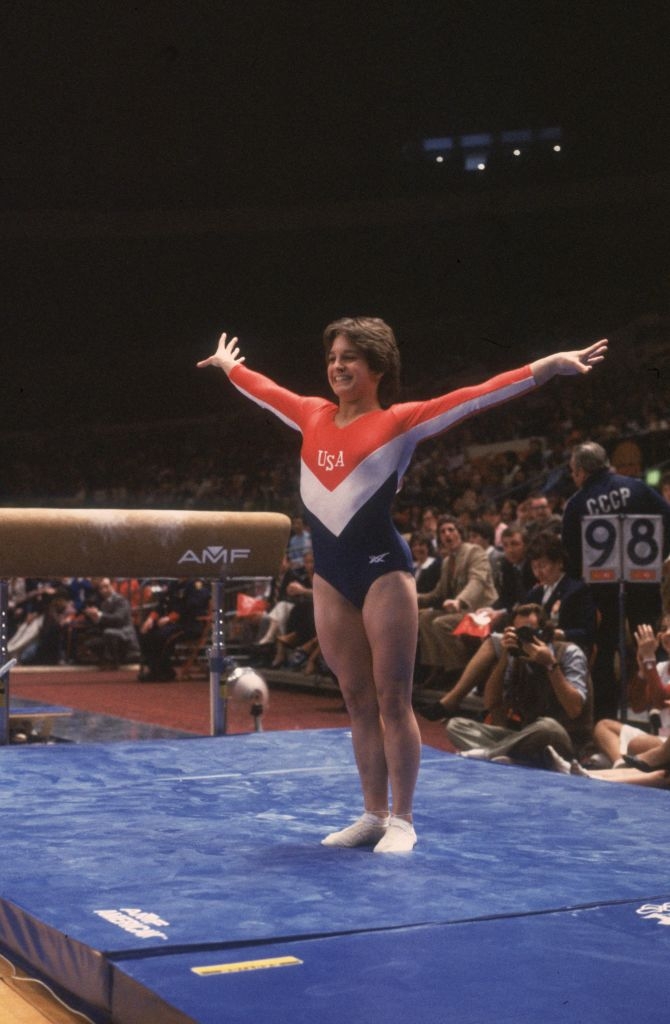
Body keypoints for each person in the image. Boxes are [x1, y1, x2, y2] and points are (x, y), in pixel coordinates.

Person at [198, 320, 607, 853]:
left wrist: (545, 367)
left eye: (350, 358)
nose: (338, 366)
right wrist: (231, 366)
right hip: (330, 576)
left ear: (377, 368)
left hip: (382, 571)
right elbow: (264, 390)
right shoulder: (311, 414)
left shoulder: (400, 422)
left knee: (393, 698)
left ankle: (403, 819)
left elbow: (475, 398)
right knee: (356, 698)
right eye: (333, 357)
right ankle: (371, 814)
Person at [562, 441, 670, 720]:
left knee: (605, 651)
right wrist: (657, 560)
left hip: (601, 591)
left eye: (573, 471)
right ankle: (658, 714)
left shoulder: (575, 505)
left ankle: (605, 718)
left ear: (583, 471)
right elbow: (667, 520)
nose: (573, 477)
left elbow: (572, 559)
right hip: (644, 581)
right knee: (650, 642)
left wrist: (584, 580)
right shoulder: (638, 487)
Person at [446, 604, 593, 767]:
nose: (524, 638)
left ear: (545, 631)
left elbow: (574, 709)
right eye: (518, 632)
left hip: (565, 739)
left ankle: (491, 753)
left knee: (548, 726)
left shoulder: (569, 653)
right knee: (457, 725)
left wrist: (550, 665)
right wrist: (503, 658)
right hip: (525, 737)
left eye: (529, 631)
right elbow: (492, 704)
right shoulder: (516, 658)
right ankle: (513, 756)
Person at [416, 515, 498, 689]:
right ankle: (436, 668)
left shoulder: (474, 551)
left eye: (451, 530)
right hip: (459, 610)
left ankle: (458, 672)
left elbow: (477, 581)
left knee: (441, 623)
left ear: (459, 533)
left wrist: (460, 600)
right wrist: (412, 598)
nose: (447, 534)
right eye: (442, 531)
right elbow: (438, 594)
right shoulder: (447, 561)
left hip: (481, 611)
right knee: (423, 618)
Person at [525, 531, 597, 656]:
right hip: (536, 646)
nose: (538, 573)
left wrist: (560, 633)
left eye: (543, 565)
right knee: (496, 642)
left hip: (566, 648)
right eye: (534, 567)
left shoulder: (577, 589)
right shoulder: (535, 593)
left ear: (559, 562)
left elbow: (587, 632)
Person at [82, 577, 140, 669]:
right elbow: (105, 622)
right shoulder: (104, 603)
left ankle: (114, 662)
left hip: (125, 633)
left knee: (109, 633)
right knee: (91, 642)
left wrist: (99, 614)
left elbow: (118, 618)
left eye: (106, 586)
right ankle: (109, 660)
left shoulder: (121, 600)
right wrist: (95, 618)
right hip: (113, 632)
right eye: (101, 588)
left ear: (112, 586)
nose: (104, 590)